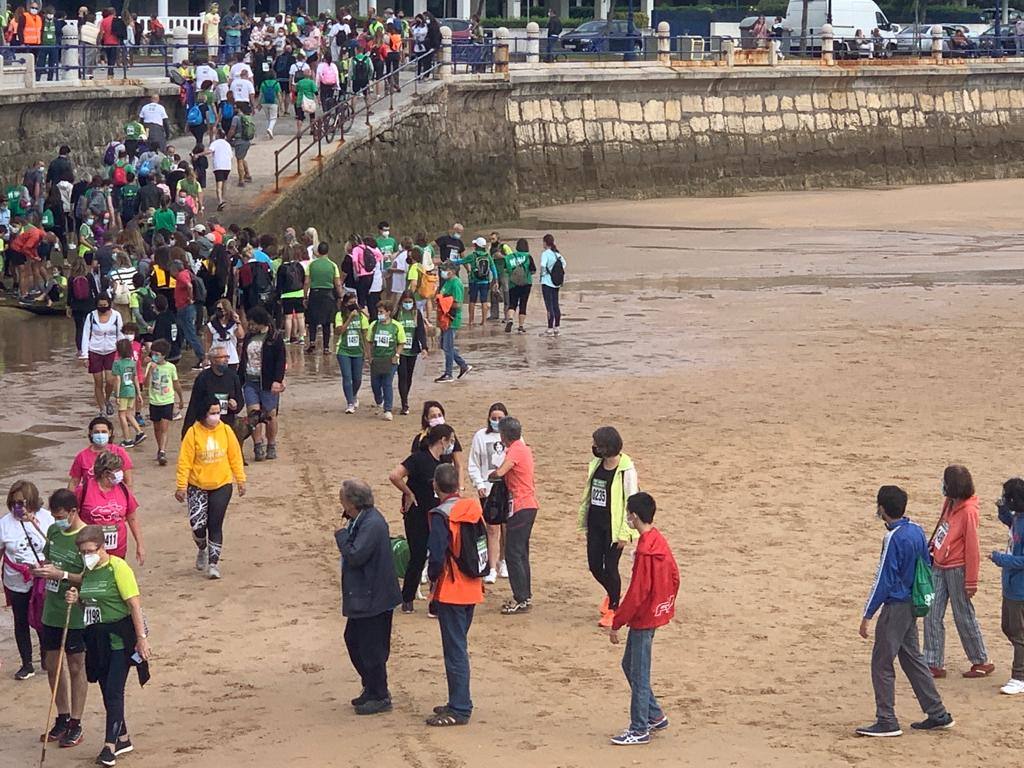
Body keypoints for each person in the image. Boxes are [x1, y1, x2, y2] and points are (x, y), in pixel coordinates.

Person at [857, 485, 954, 737]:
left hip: (896, 606)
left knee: (881, 662)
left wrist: (868, 613)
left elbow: (884, 579)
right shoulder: (916, 530)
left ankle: (887, 719)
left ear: (882, 509)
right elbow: (926, 561)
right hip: (912, 602)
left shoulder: (893, 538)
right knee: (912, 659)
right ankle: (937, 712)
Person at [64, 524, 151, 767]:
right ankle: (123, 737)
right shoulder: (88, 570)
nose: (86, 555)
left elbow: (134, 605)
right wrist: (77, 600)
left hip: (120, 639)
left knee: (114, 691)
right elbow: (91, 604)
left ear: (102, 547)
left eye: (89, 550)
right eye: (82, 552)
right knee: (106, 691)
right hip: (97, 640)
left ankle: (109, 746)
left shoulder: (118, 568)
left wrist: (142, 638)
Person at [607, 492, 679, 746]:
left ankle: (639, 728)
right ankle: (654, 714)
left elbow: (636, 592)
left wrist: (617, 622)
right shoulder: (659, 542)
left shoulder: (645, 551)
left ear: (634, 516)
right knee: (631, 666)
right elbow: (674, 577)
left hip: (643, 619)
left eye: (629, 514)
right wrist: (665, 606)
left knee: (638, 673)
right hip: (654, 614)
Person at [336, 479, 402, 715]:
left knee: (371, 647)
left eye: (343, 501)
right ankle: (371, 687)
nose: (341, 506)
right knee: (354, 640)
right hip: (366, 595)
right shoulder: (362, 520)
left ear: (352, 503)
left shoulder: (372, 523)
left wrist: (341, 537)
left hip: (374, 596)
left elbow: (356, 555)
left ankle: (380, 693)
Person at [425, 462, 484, 727]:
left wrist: (432, 580)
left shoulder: (441, 515)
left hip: (451, 589)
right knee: (458, 646)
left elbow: (436, 557)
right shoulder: (472, 509)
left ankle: (460, 707)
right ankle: (456, 701)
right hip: (472, 587)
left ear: (436, 486)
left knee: (455, 650)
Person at [31, 489, 88, 747]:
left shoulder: (87, 536)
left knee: (76, 666)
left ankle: (76, 721)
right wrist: (43, 570)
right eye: (54, 517)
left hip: (74, 610)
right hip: (52, 609)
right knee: (52, 665)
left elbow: (91, 577)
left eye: (61, 516)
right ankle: (62, 716)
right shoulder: (54, 532)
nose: (57, 521)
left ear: (73, 512)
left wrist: (62, 575)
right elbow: (49, 559)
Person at [924, 464, 993, 679]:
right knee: (931, 612)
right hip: (939, 564)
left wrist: (971, 580)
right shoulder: (950, 504)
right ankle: (933, 661)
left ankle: (980, 659)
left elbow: (972, 548)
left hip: (957, 569)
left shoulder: (969, 512)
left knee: (963, 614)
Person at [176, 396, 246, 579]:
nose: (216, 417)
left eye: (218, 412)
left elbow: (235, 456)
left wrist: (240, 480)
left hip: (221, 484)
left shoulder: (226, 431)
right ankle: (202, 548)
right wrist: (181, 486)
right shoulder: (192, 433)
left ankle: (214, 564)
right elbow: (185, 462)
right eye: (212, 413)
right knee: (198, 525)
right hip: (197, 486)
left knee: (215, 524)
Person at [390, 423, 455, 614]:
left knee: (438, 555)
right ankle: (407, 597)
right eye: (449, 440)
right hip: (417, 515)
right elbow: (395, 475)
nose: (451, 444)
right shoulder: (419, 459)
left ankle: (435, 600)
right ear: (442, 440)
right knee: (417, 557)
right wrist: (408, 493)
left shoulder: (444, 462)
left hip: (437, 516)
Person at [579, 426, 639, 628]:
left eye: (597, 444)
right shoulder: (596, 464)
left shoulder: (626, 470)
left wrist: (626, 532)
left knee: (611, 566)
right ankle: (614, 591)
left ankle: (614, 608)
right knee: (594, 565)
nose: (593, 447)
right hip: (595, 523)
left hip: (615, 528)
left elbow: (631, 500)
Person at [1, 480, 54, 680]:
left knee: (43, 619)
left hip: (42, 579)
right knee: (21, 620)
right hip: (15, 580)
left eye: (22, 502)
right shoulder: (4, 524)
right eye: (14, 502)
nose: (18, 507)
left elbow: (55, 545)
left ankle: (46, 655)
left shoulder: (46, 519)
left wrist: (33, 523)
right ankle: (26, 663)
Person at [489, 417, 537, 615]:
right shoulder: (522, 448)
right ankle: (524, 595)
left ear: (503, 435)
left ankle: (521, 598)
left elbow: (500, 472)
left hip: (520, 506)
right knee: (520, 552)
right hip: (527, 506)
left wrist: (492, 475)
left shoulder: (516, 449)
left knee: (513, 553)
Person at [76, 450, 144, 566]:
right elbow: (73, 516)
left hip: (118, 550)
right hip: (91, 549)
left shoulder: (123, 489)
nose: (121, 473)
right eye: (117, 470)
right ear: (105, 473)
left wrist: (140, 544)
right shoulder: (85, 489)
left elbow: (132, 518)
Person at [239, 306, 286, 461]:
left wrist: (277, 381)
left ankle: (271, 444)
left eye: (253, 324)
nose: (251, 327)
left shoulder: (275, 337)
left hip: (268, 382)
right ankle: (257, 444)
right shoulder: (249, 337)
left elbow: (281, 360)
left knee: (270, 415)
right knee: (253, 415)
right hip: (250, 381)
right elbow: (243, 359)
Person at [468, 403, 508, 584]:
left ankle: (503, 561)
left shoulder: (514, 438)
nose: (496, 421)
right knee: (491, 528)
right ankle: (491, 568)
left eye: (500, 418)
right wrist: (478, 484)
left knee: (506, 527)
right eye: (494, 418)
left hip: (507, 489)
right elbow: (473, 463)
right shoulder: (480, 437)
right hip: (487, 489)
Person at [992, 477, 1024, 695]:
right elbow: (1011, 523)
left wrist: (1001, 559)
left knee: (1018, 632)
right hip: (1011, 584)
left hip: (1019, 587)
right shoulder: (1018, 517)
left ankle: (1019, 676)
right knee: (1008, 627)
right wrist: (1002, 510)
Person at [182, 346, 243, 436]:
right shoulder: (203, 378)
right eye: (222, 357)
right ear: (213, 360)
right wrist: (186, 431)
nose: (226, 360)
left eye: (227, 357)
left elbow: (240, 401)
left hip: (226, 424)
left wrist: (235, 406)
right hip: (206, 424)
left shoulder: (233, 377)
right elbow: (194, 405)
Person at [80, 295, 124, 417]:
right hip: (94, 351)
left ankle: (107, 399)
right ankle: (102, 409)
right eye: (100, 306)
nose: (103, 308)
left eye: (105, 305)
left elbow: (120, 334)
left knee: (110, 381)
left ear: (109, 304)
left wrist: (123, 352)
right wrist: (85, 356)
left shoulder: (116, 316)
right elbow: (85, 335)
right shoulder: (91, 316)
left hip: (112, 350)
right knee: (98, 381)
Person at [144, 338, 185, 466]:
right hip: (154, 401)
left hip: (167, 400)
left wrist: (181, 398)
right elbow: (145, 385)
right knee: (156, 428)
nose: (154, 357)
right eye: (153, 354)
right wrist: (150, 371)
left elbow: (176, 383)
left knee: (164, 427)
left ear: (164, 355)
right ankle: (159, 448)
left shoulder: (171, 367)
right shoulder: (150, 366)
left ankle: (162, 451)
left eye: (157, 354)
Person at [68, 416, 135, 490]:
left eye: (104, 432)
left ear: (110, 433)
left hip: (115, 498)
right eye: (96, 432)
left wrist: (128, 499)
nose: (100, 435)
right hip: (90, 498)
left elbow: (128, 481)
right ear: (91, 433)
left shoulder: (119, 452)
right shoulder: (82, 456)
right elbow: (74, 482)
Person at [434, 261, 471, 384]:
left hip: (452, 318)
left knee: (448, 346)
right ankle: (463, 365)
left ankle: (449, 373)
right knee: (444, 344)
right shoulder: (447, 282)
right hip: (444, 318)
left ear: (453, 271)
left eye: (446, 269)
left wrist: (442, 302)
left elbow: (458, 303)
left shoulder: (456, 283)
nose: (443, 272)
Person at [367, 302, 405, 421]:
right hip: (376, 359)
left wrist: (397, 355)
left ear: (388, 312)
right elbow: (368, 341)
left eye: (381, 312)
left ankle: (388, 409)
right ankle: (379, 401)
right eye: (378, 312)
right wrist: (369, 356)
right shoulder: (373, 325)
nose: (379, 314)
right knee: (375, 385)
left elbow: (401, 342)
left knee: (387, 384)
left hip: (390, 360)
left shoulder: (396, 326)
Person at [411, 401, 466, 482]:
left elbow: (459, 465)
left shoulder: (450, 437)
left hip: (446, 481)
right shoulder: (420, 439)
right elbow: (413, 465)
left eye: (439, 415)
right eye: (433, 416)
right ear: (426, 418)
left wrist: (461, 488)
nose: (437, 418)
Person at [393, 290, 428, 416]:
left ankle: (405, 396)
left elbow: (420, 332)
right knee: (402, 376)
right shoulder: (397, 314)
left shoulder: (416, 314)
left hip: (412, 350)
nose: (407, 304)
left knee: (409, 376)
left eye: (410, 302)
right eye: (405, 302)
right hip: (400, 350)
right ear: (401, 302)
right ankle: (404, 403)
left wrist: (424, 347)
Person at [305, 241, 343, 355]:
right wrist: (340, 296)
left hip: (315, 293)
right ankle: (326, 347)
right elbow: (337, 283)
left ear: (317, 252)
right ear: (327, 251)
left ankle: (312, 341)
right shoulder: (333, 265)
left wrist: (304, 296)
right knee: (327, 321)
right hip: (328, 294)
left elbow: (307, 282)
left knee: (312, 320)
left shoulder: (311, 265)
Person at [335, 295, 369, 414]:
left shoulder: (361, 317)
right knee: (347, 377)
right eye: (350, 302)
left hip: (358, 351)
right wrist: (349, 318)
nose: (353, 304)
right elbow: (339, 331)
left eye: (355, 302)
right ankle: (350, 402)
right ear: (345, 304)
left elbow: (365, 335)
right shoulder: (340, 315)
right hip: (344, 350)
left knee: (357, 378)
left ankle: (353, 395)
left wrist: (368, 353)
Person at [111, 338, 146, 448]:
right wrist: (138, 393)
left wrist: (116, 395)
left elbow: (117, 379)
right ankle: (139, 432)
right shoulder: (133, 363)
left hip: (122, 391)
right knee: (129, 414)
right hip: (131, 391)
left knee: (122, 415)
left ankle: (127, 439)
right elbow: (135, 378)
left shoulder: (117, 364)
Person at [456, 236, 496, 327]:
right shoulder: (488, 256)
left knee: (472, 301)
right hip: (485, 281)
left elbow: (461, 261)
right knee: (484, 301)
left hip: (474, 281)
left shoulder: (472, 256)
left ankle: (471, 321)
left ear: (476, 245)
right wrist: (495, 280)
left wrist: (451, 261)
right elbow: (493, 269)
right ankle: (484, 321)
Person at [204, 298, 244, 372]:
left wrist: (238, 321)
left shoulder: (233, 324)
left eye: (222, 309)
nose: (220, 311)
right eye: (218, 309)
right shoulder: (211, 325)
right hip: (216, 356)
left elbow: (241, 336)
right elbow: (208, 341)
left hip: (231, 357)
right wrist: (206, 356)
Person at [539, 233, 565, 337]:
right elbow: (564, 264)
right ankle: (557, 327)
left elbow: (542, 266)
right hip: (556, 283)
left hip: (547, 282)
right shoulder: (557, 254)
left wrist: (543, 274)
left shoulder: (545, 253)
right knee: (556, 304)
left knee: (549, 306)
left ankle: (550, 328)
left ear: (545, 243)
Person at [208, 128, 232, 211]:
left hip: (218, 166)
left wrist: (199, 154)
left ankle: (220, 201)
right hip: (227, 166)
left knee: (219, 185)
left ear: (217, 135)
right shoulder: (227, 144)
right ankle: (223, 198)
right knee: (224, 182)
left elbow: (209, 151)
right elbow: (231, 155)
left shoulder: (215, 143)